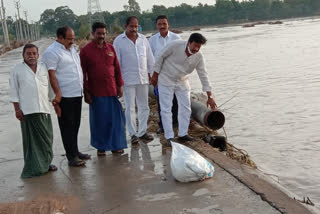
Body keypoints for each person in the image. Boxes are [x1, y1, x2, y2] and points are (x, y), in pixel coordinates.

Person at [151, 33, 217, 146]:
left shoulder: (199, 56)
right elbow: (160, 56)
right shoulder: (175, 45)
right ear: (188, 42)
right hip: (166, 78)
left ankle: (183, 134)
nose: (196, 49)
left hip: (182, 80)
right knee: (166, 108)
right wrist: (155, 75)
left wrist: (210, 96)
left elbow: (203, 75)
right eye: (194, 45)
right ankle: (169, 136)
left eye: (199, 47)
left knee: (186, 107)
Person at [42, 26, 90, 167]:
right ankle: (71, 156)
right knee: (67, 126)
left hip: (76, 92)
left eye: (73, 38)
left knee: (75, 124)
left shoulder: (72, 49)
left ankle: (75, 151)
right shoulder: (52, 52)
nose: (72, 41)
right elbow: (52, 75)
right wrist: (57, 94)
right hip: (65, 95)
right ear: (60, 38)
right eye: (69, 38)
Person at [9, 44, 57, 178]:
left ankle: (46, 164)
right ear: (23, 55)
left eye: (34, 53)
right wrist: (17, 109)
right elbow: (14, 92)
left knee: (47, 139)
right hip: (28, 112)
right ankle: (34, 167)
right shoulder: (16, 70)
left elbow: (49, 90)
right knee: (32, 143)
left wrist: (55, 104)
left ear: (38, 55)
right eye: (28, 54)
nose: (31, 56)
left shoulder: (43, 68)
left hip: (44, 110)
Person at [80, 22, 127, 156]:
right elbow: (82, 74)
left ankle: (116, 145)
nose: (101, 36)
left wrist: (120, 85)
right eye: (99, 34)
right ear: (93, 34)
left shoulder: (110, 48)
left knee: (116, 120)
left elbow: (117, 69)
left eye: (103, 33)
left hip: (112, 90)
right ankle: (101, 147)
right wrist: (86, 92)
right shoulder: (86, 51)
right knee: (100, 121)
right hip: (96, 92)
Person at [113, 16, 155, 144]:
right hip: (127, 79)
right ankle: (132, 134)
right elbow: (116, 63)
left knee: (144, 106)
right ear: (126, 26)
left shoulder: (143, 39)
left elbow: (150, 59)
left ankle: (142, 132)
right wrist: (118, 81)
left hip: (143, 78)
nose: (134, 29)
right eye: (131, 26)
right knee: (130, 107)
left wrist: (152, 75)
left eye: (136, 26)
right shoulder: (119, 41)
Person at [149, 15, 180, 134]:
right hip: (159, 75)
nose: (162, 26)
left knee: (175, 101)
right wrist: (152, 76)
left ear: (168, 25)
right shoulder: (152, 40)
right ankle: (162, 125)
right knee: (161, 101)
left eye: (164, 24)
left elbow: (180, 56)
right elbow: (151, 59)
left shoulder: (176, 37)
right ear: (157, 25)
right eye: (159, 24)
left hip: (174, 74)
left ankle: (175, 124)